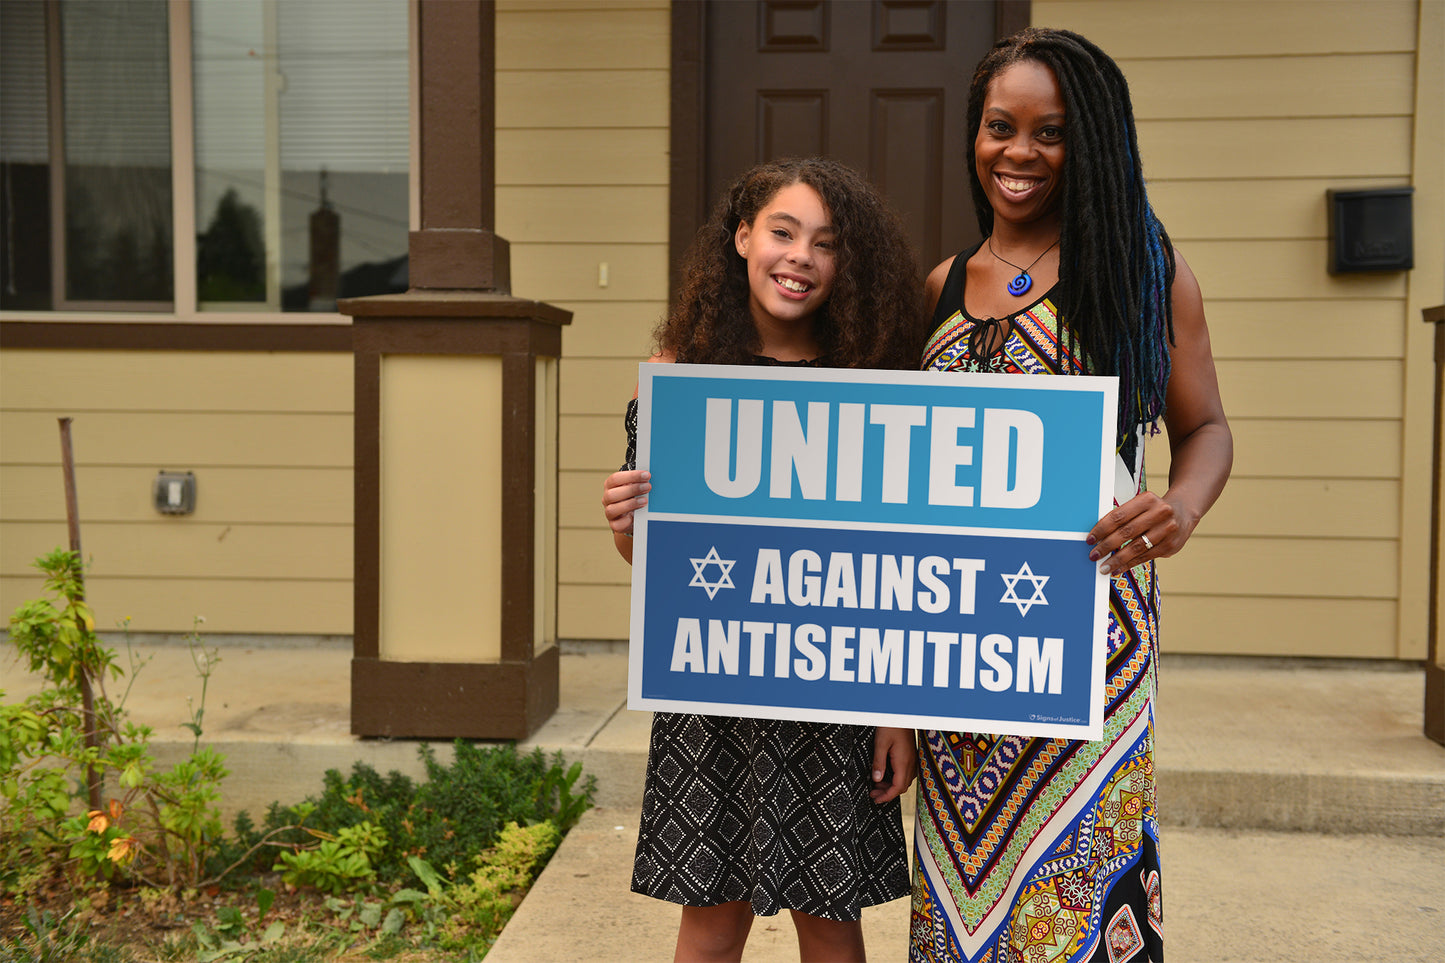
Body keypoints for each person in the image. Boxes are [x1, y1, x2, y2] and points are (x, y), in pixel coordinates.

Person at [910, 28, 1232, 963]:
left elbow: (1206, 428)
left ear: (1088, 142)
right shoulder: (937, 289)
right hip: (955, 645)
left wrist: (1182, 506)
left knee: (1076, 886)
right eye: (998, 126)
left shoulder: (1140, 274)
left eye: (1048, 133)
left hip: (1091, 639)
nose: (1017, 153)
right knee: (961, 892)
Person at [602, 157, 925, 963]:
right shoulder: (681, 381)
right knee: (710, 923)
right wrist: (623, 523)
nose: (800, 256)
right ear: (742, 237)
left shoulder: (872, 386)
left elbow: (899, 564)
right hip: (713, 694)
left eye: (825, 242)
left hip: (839, 691)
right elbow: (658, 560)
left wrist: (896, 713)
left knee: (830, 925)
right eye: (782, 231)